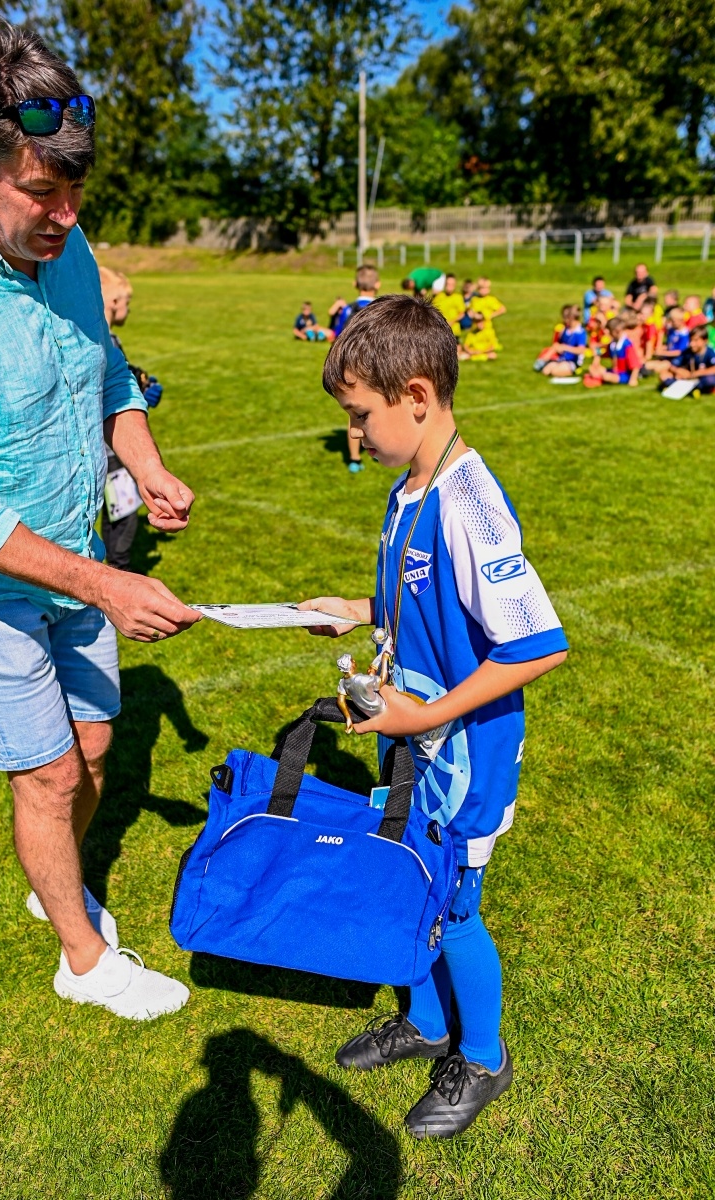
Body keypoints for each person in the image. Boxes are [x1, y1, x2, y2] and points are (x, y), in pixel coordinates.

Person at [0, 22, 200, 1020]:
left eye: (76, 190)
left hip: (77, 550)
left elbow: (109, 374)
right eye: (42, 192)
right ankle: (82, 959)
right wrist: (107, 582)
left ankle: (57, 883)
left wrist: (146, 466)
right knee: (44, 774)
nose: (68, 217)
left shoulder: (66, 242)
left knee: (94, 749)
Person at [299, 295, 568, 1139]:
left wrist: (428, 714)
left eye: (360, 416)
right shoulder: (410, 484)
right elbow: (419, 604)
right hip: (415, 746)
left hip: (463, 756)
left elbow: (536, 645)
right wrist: (355, 610)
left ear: (415, 396)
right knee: (409, 880)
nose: (354, 433)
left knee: (454, 909)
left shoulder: (470, 504)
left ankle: (482, 1057)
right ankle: (424, 1021)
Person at [98, 265, 163, 572]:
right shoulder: (104, 340)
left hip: (108, 447)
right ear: (113, 302)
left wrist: (139, 384)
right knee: (123, 517)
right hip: (111, 448)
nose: (129, 308)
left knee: (116, 514)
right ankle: (119, 574)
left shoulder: (106, 338)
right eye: (127, 301)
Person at [333, 263, 380, 473]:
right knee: (379, 410)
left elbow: (336, 337)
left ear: (355, 284)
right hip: (377, 370)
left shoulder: (348, 310)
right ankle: (378, 449)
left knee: (355, 416)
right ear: (377, 284)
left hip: (350, 371)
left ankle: (354, 458)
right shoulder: (382, 310)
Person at [654, 324, 715, 391]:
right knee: (664, 376)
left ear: (705, 341)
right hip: (686, 378)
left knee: (710, 380)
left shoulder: (710, 352)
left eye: (696, 340)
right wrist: (678, 371)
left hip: (701, 378)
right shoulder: (687, 352)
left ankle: (690, 388)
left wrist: (697, 373)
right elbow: (673, 365)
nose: (692, 344)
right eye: (690, 340)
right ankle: (691, 389)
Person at [534, 304, 586, 377]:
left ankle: (573, 371)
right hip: (561, 358)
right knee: (545, 371)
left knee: (555, 372)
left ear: (572, 318)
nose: (564, 320)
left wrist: (565, 347)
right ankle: (542, 362)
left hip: (572, 361)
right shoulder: (565, 329)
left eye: (566, 318)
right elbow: (557, 343)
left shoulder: (580, 332)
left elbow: (581, 350)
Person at [586, 316, 640, 385]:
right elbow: (605, 354)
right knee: (592, 369)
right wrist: (597, 354)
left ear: (616, 331)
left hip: (624, 374)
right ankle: (598, 377)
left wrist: (633, 379)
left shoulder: (626, 344)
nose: (607, 333)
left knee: (606, 376)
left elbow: (635, 365)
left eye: (610, 331)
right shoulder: (613, 344)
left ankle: (598, 378)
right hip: (614, 371)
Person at [644, 307, 690, 375]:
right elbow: (670, 345)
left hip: (677, 360)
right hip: (667, 358)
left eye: (674, 321)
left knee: (658, 367)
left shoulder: (684, 334)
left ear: (682, 321)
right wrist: (662, 348)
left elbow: (679, 352)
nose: (671, 323)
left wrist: (662, 353)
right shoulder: (672, 330)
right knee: (647, 365)